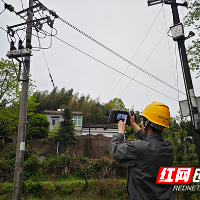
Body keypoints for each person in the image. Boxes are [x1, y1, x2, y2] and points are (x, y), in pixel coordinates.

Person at [109, 102, 175, 200]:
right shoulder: (169, 147)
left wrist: (120, 132)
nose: (141, 122)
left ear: (146, 123)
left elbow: (115, 149)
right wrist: (134, 124)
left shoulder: (137, 148)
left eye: (142, 120)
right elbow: (151, 140)